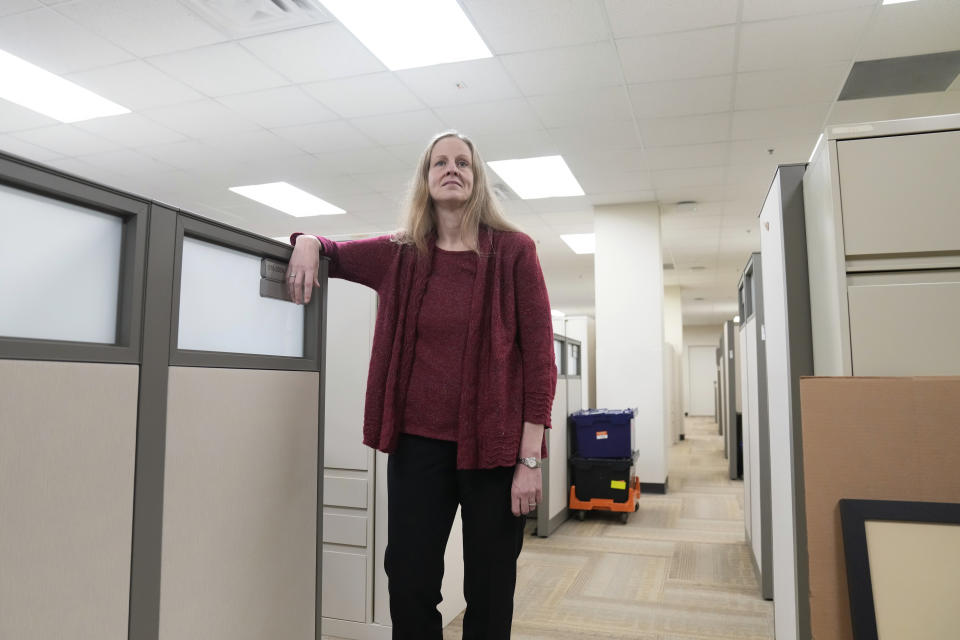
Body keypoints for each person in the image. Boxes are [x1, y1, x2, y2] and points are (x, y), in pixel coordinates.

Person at [285, 130, 557, 640]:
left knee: (491, 590)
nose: (451, 169)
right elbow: (335, 252)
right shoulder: (401, 254)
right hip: (418, 449)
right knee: (409, 584)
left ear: (476, 180)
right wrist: (306, 241)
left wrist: (530, 460)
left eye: (463, 163)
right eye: (440, 163)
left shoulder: (515, 252)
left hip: (497, 455)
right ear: (426, 178)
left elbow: (541, 361)